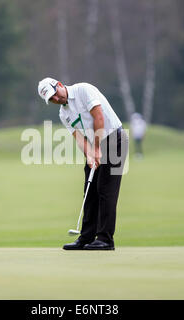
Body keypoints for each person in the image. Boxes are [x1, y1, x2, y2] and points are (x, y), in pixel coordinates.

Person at [38, 77, 128, 250]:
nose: (56, 99)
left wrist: (96, 147)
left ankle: (105, 239)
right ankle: (86, 237)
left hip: (115, 140)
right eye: (51, 99)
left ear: (59, 85)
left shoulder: (83, 90)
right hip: (95, 144)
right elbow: (78, 138)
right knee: (90, 189)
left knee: (105, 190)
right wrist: (89, 154)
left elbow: (99, 117)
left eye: (54, 94)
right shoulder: (63, 114)